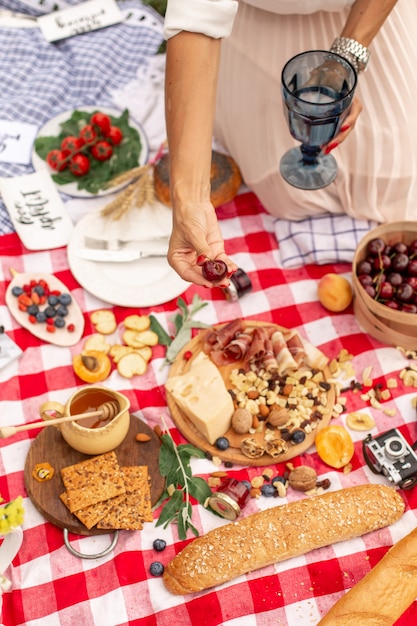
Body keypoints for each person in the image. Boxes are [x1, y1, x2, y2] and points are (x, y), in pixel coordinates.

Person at [163, 0, 417, 287]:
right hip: (259, 25)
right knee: (286, 197)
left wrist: (344, 61)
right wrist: (189, 200)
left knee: (397, 180)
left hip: (366, 18)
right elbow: (198, 14)